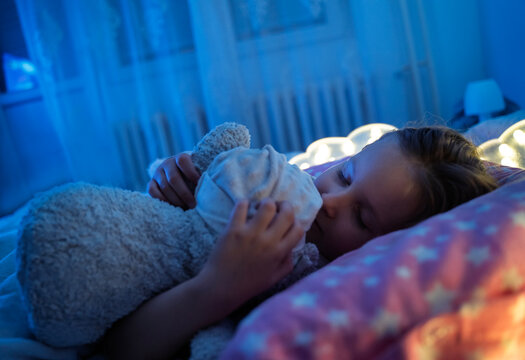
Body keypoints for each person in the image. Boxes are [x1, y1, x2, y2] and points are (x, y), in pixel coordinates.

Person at [105, 126, 498, 359]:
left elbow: (117, 350)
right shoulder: (268, 186)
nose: (328, 201)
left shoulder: (327, 294)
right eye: (345, 174)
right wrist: (186, 188)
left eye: (361, 217)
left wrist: (218, 288)